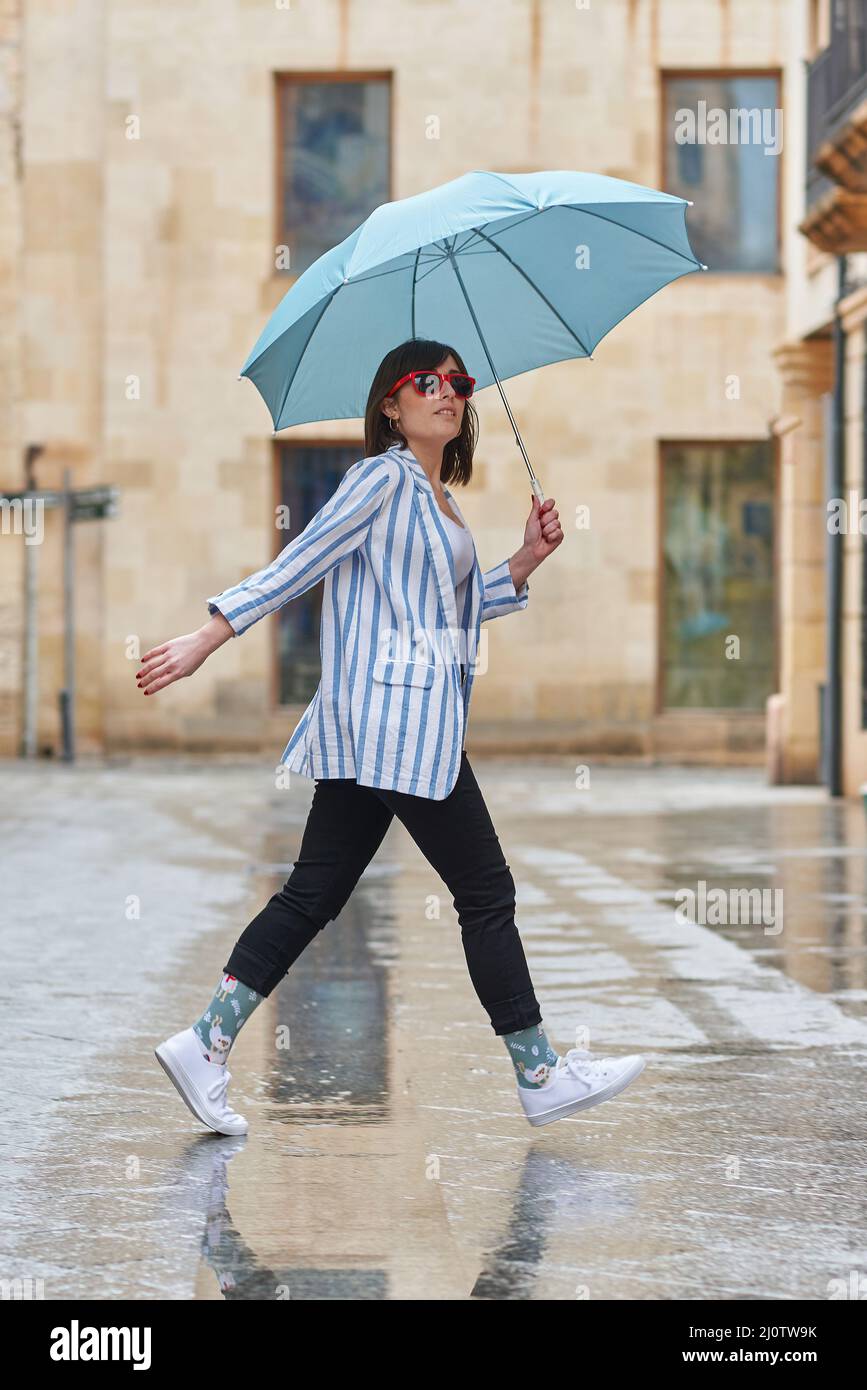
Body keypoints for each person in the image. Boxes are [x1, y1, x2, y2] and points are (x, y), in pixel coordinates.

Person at [143, 338, 646, 1134]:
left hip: (385, 725)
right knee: (485, 892)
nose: (445, 392)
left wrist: (522, 560)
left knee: (313, 893)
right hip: (397, 727)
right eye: (425, 382)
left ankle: (205, 1043)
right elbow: (301, 560)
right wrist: (211, 633)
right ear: (389, 404)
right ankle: (539, 1072)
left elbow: (440, 616)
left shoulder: (435, 496)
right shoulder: (379, 479)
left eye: (457, 382)